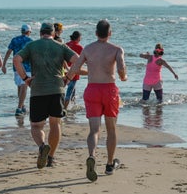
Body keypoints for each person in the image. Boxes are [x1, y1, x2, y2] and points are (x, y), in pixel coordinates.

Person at [66, 20, 127, 182]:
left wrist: (67, 79)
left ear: (95, 33)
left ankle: (92, 155)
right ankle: (108, 164)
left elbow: (74, 68)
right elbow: (121, 68)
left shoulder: (88, 49)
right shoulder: (116, 49)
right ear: (110, 33)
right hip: (109, 90)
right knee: (111, 129)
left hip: (92, 90)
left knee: (94, 130)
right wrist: (123, 76)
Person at [13, 23, 79, 169]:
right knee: (55, 124)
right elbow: (77, 60)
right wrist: (68, 77)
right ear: (53, 33)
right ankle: (51, 158)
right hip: (57, 89)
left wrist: (25, 79)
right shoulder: (60, 46)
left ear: (40, 33)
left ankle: (42, 146)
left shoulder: (32, 46)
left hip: (38, 90)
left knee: (36, 126)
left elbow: (16, 59)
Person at [2, 24, 33, 116]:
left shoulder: (14, 40)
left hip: (16, 66)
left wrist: (4, 64)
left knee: (20, 86)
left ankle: (22, 105)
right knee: (24, 86)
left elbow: (8, 52)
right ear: (28, 32)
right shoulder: (30, 41)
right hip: (27, 67)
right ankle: (19, 107)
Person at [64, 30, 85, 110]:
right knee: (70, 90)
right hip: (74, 71)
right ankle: (65, 109)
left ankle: (72, 105)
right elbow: (84, 59)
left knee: (71, 89)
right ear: (78, 38)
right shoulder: (79, 47)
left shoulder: (66, 44)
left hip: (64, 70)